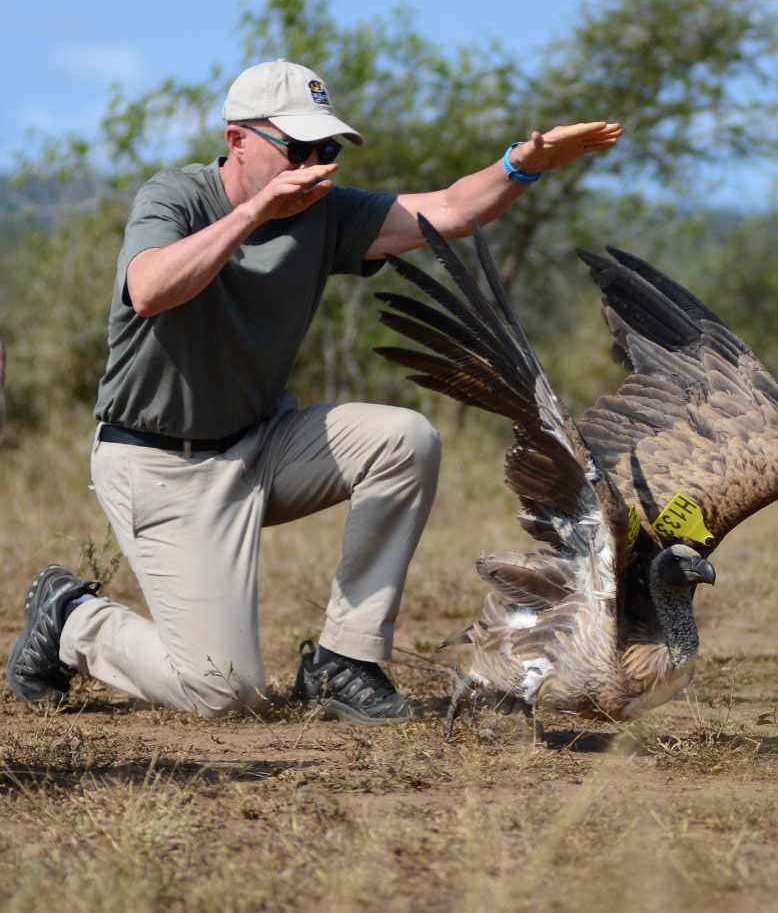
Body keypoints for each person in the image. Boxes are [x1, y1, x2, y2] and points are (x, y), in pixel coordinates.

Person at [6, 59, 621, 724]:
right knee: (224, 691)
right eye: (298, 148)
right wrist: (252, 216)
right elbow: (150, 289)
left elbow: (448, 211)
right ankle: (72, 617)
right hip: (158, 462)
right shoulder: (175, 197)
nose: (316, 165)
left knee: (404, 439)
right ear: (238, 139)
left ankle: (342, 660)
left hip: (261, 443)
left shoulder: (323, 212)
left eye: (326, 149)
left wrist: (520, 166)